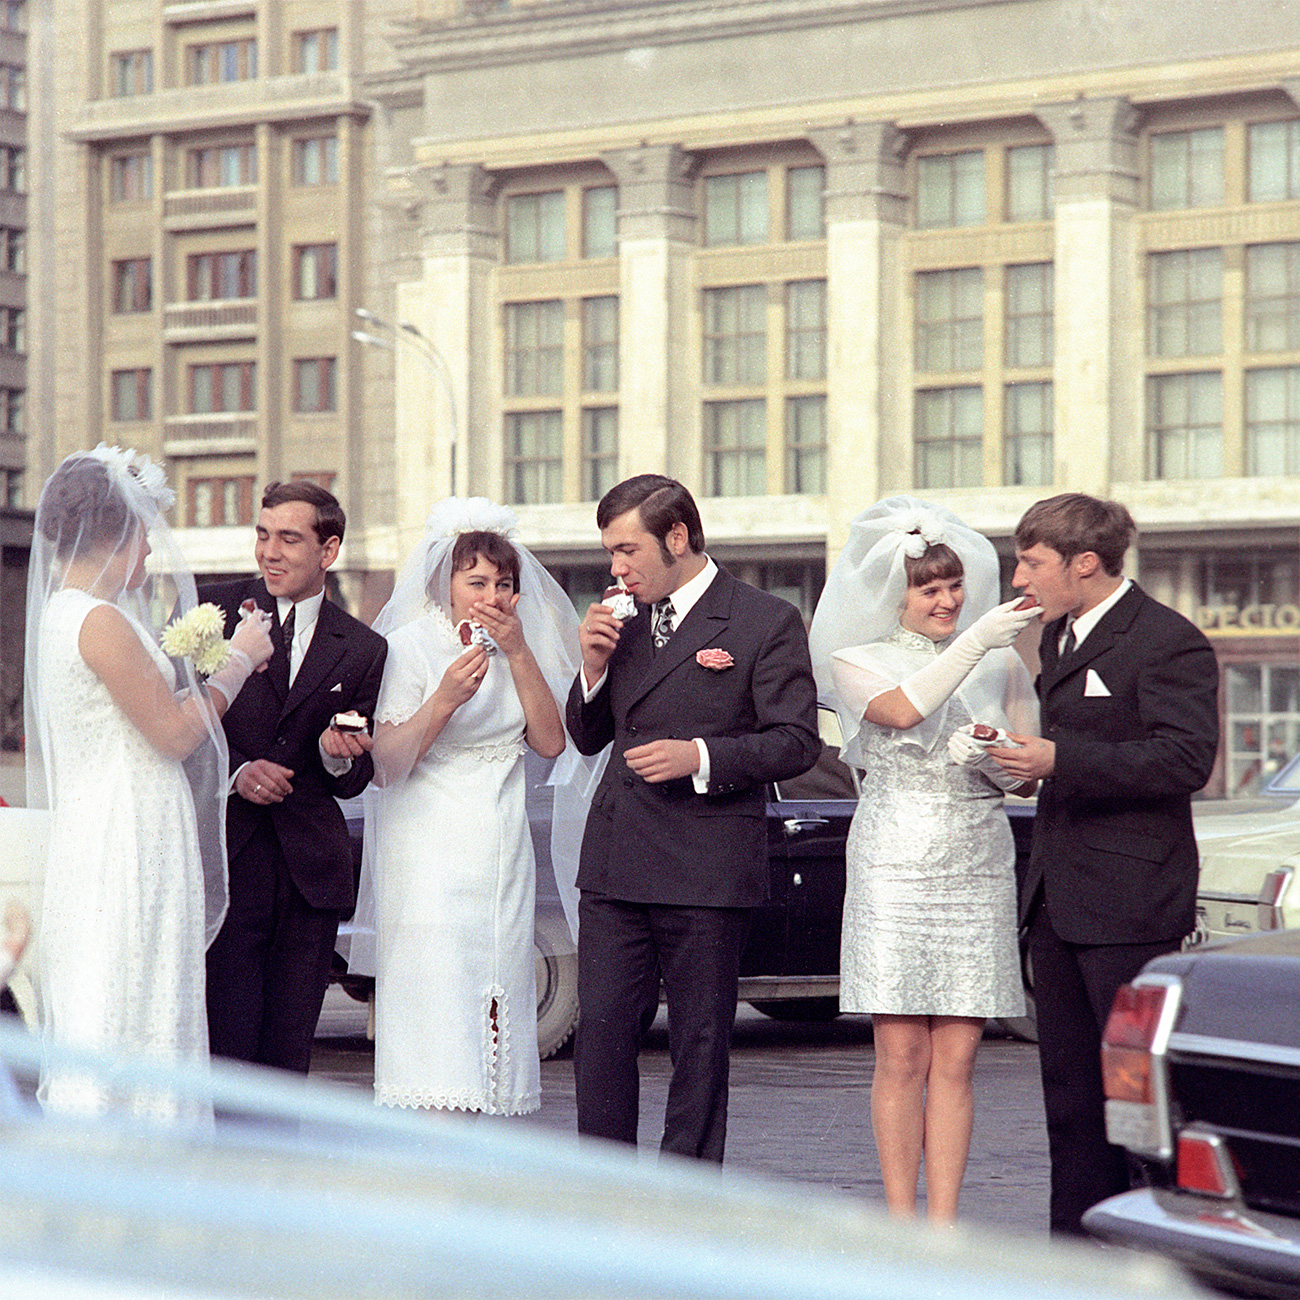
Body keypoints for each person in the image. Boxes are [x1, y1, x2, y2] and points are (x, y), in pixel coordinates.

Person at [567, 474, 821, 1163]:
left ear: (677, 537)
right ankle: (603, 1194)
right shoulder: (619, 619)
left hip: (707, 867)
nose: (615, 569)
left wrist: (700, 755)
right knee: (603, 1037)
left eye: (627, 550)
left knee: (701, 1045)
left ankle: (684, 1201)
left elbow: (798, 741)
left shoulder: (763, 619)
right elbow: (587, 737)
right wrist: (590, 668)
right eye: (610, 552)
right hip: (617, 863)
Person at [987, 493, 1219, 1236]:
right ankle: (1075, 1254)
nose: (1019, 574)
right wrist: (1031, 767)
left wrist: (1062, 759)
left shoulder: (1166, 639)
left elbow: (1187, 758)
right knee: (1071, 1099)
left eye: (1031, 561)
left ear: (1084, 563)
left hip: (1130, 903)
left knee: (1138, 1102)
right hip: (1058, 901)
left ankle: (1155, 1254)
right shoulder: (1056, 638)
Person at [808, 497, 1040, 1222]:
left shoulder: (1000, 660)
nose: (946, 600)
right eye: (927, 588)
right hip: (896, 861)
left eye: (952, 585)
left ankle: (943, 1224)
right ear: (895, 594)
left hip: (975, 859)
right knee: (901, 1056)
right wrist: (975, 642)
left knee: (960, 1059)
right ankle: (900, 1223)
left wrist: (994, 761)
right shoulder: (858, 660)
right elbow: (903, 711)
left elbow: (1028, 771)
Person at [25, 446, 274, 1119]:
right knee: (130, 994)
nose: (150, 555)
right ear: (121, 532)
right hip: (126, 835)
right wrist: (239, 665)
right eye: (145, 535)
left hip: (112, 826)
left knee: (123, 993)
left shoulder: (66, 613)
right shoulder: (97, 620)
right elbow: (171, 734)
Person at [346, 498, 580, 1115]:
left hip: (499, 843)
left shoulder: (517, 646)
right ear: (443, 585)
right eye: (476, 581)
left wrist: (521, 653)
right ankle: (433, 1113)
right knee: (437, 981)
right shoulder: (409, 646)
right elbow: (389, 762)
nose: (492, 595)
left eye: (504, 584)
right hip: (428, 843)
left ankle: (489, 1107)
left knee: (500, 978)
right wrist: (444, 700)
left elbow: (550, 742)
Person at [201, 480, 387, 1075]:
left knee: (288, 1057)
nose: (269, 552)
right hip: (227, 865)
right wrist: (235, 773)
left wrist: (338, 755)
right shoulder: (210, 613)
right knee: (223, 1051)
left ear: (328, 551)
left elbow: (353, 777)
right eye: (262, 535)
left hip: (311, 877)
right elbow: (173, 732)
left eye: (288, 538)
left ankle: (278, 1169)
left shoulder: (363, 646)